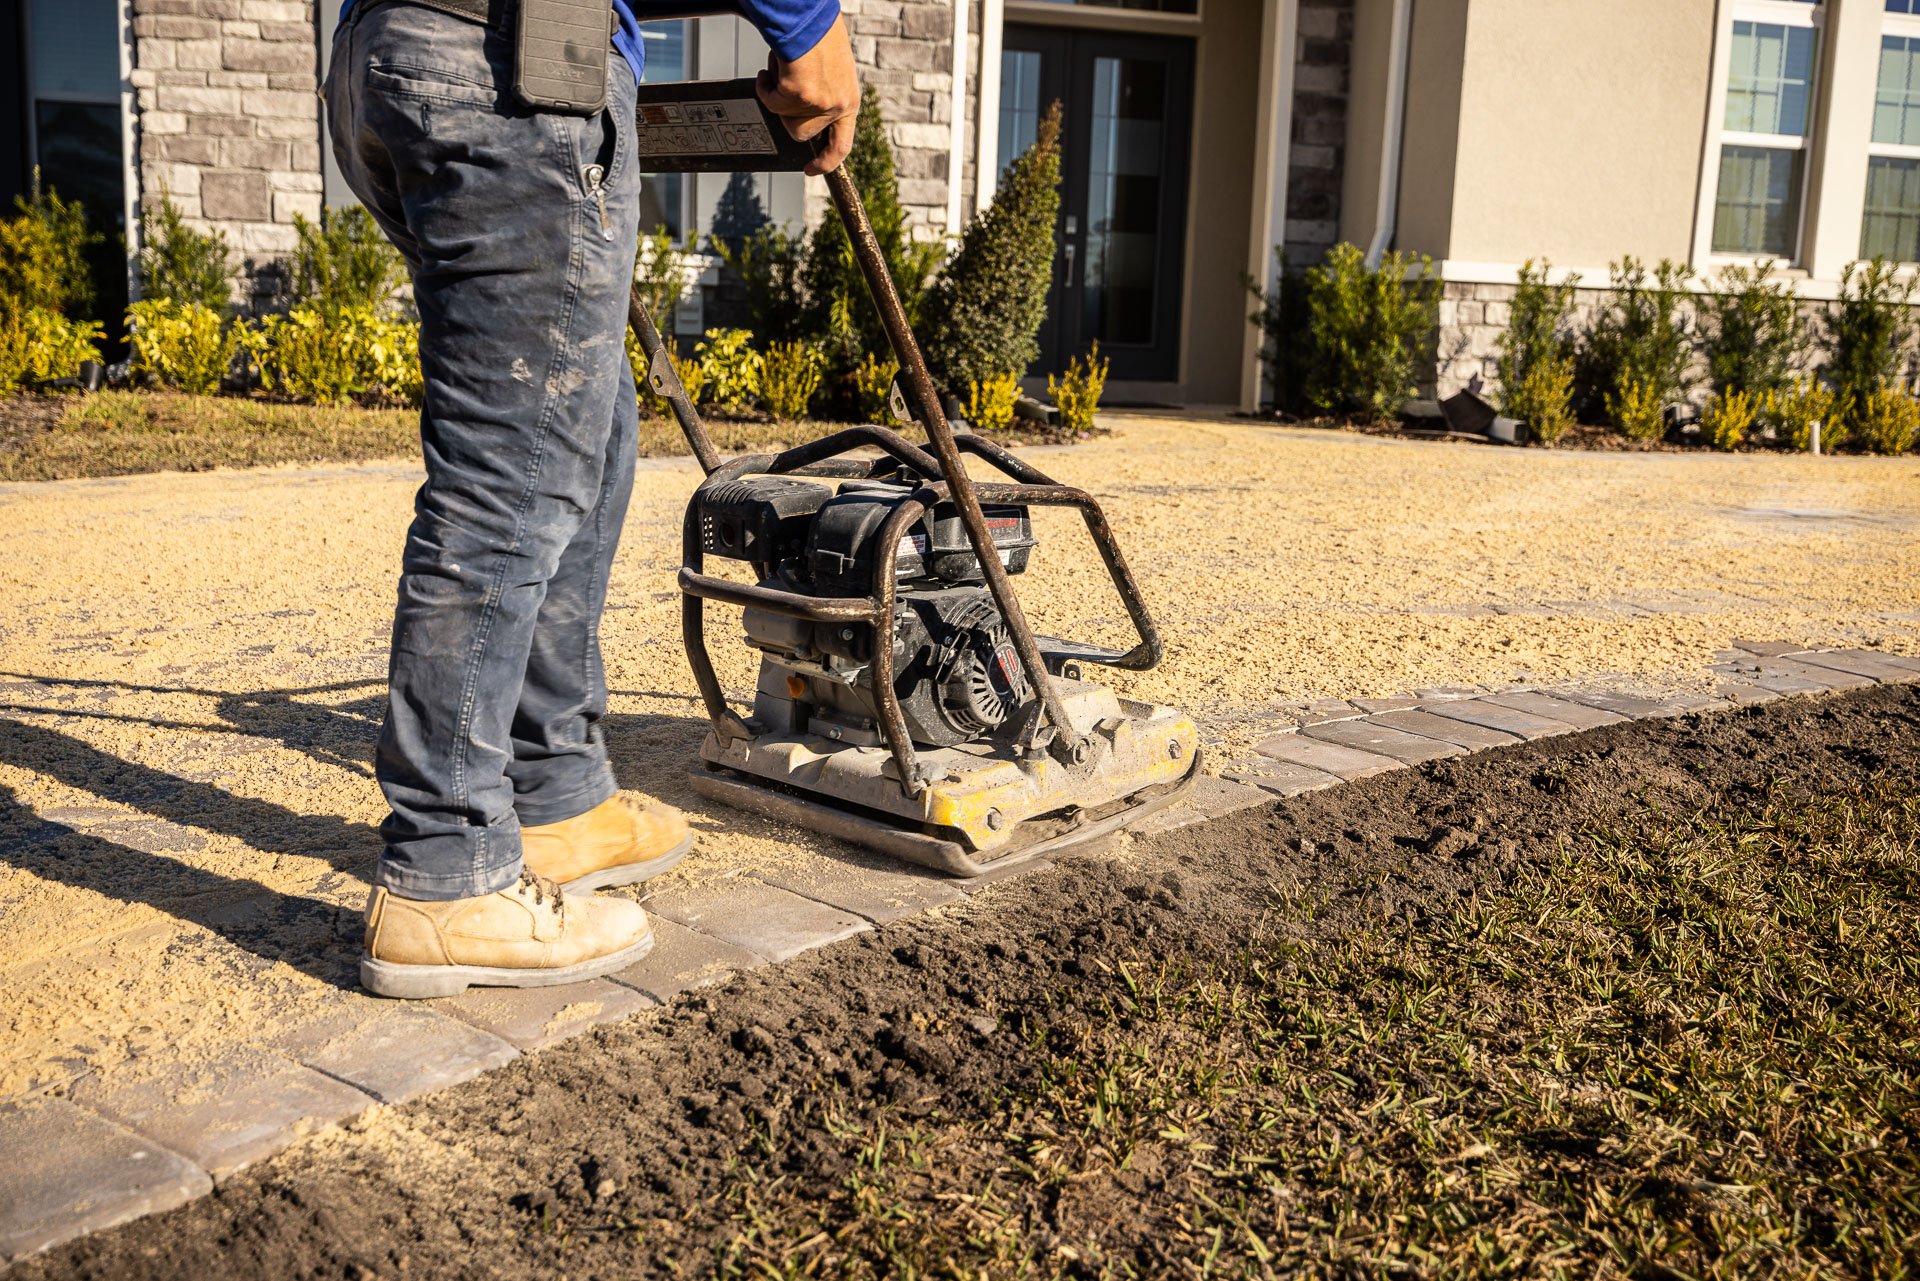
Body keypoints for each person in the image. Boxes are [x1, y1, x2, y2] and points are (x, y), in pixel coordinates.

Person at [323, 0, 859, 999]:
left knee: (587, 422)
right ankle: (447, 870)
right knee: (513, 470)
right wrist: (803, 17)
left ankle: (553, 791)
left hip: (416, 46)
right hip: (507, 55)